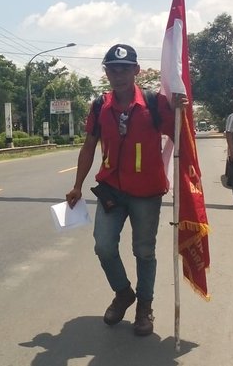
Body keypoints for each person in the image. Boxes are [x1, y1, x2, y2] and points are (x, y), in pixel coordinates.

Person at [65, 44, 185, 337]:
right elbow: (89, 147)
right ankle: (123, 293)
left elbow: (181, 135)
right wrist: (77, 185)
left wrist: (181, 108)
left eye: (124, 68)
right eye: (112, 69)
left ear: (136, 71)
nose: (118, 74)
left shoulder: (155, 103)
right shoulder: (99, 105)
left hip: (147, 192)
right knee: (103, 247)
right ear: (106, 71)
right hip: (112, 189)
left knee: (143, 251)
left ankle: (144, 306)